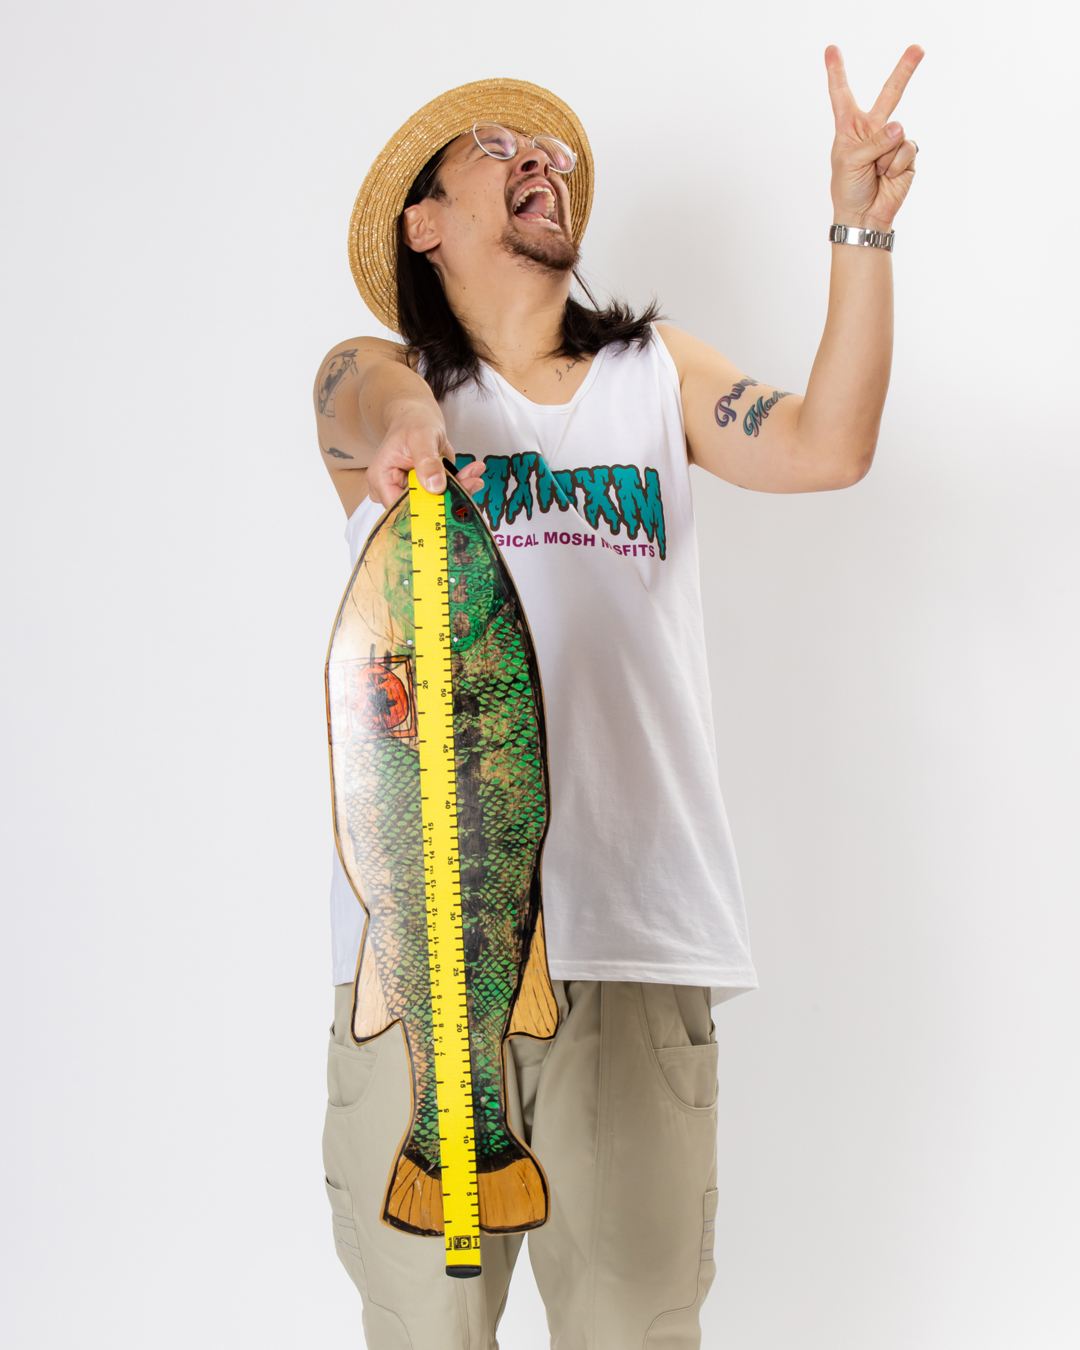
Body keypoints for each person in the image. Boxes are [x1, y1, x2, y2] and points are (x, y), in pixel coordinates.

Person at [314, 51, 922, 1350]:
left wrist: (860, 229)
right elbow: (356, 387)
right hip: (423, 971)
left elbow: (830, 446)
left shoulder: (657, 374)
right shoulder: (381, 392)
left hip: (637, 945)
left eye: (548, 151)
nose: (538, 157)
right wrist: (410, 420)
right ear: (424, 225)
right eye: (494, 148)